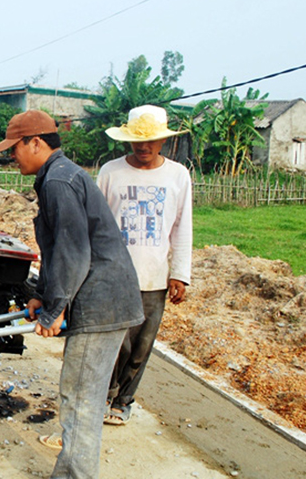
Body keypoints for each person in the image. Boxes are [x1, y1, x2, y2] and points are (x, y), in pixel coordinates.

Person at [0, 110, 144, 479]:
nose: (13, 156)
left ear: (36, 142)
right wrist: (43, 294)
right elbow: (58, 248)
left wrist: (55, 310)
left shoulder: (58, 181)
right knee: (80, 398)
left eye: (16, 148)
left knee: (80, 401)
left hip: (101, 303)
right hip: (100, 296)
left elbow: (74, 253)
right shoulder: (58, 176)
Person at [98, 104, 192, 425]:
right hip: (115, 275)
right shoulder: (111, 172)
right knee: (115, 342)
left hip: (154, 278)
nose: (144, 147)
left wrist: (180, 274)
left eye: (151, 141)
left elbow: (182, 227)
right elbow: (96, 224)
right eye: (138, 142)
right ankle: (105, 392)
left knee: (141, 346)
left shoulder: (178, 175)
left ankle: (123, 400)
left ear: (163, 141)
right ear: (128, 141)